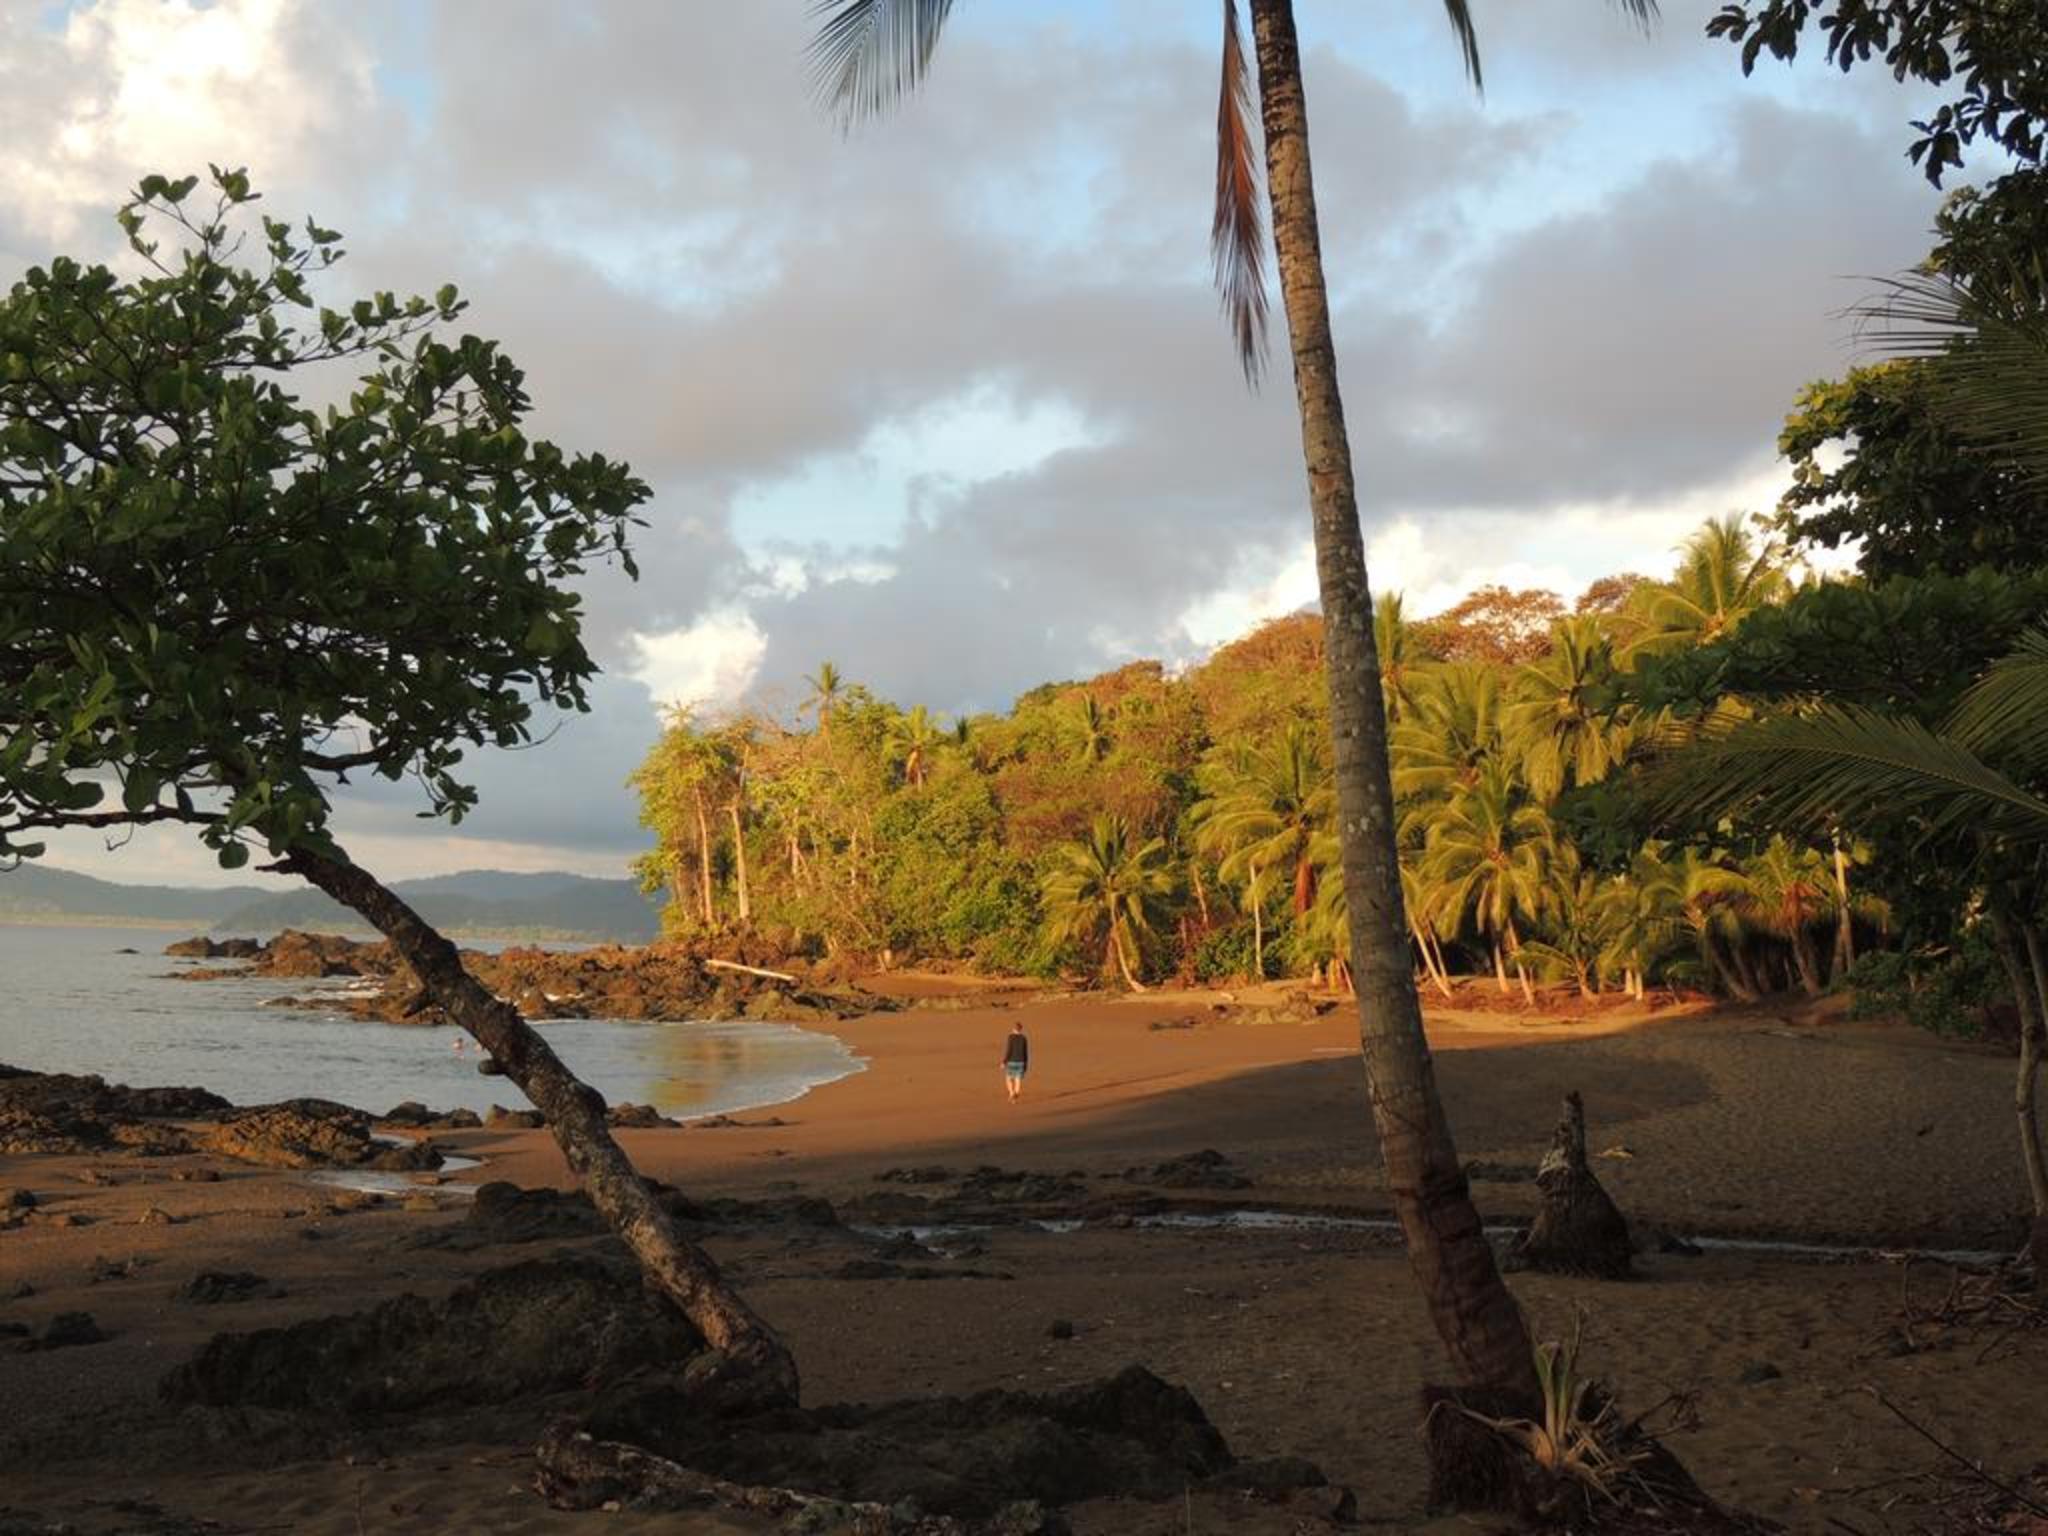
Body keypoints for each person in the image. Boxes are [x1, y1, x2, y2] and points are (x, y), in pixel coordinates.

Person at [1001, 1020, 1029, 1103]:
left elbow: (1009, 1050)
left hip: (1011, 1061)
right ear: (1021, 1029)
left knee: (1008, 1078)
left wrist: (1004, 1062)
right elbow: (1025, 1052)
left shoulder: (1011, 1037)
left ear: (1014, 1029)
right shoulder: (1024, 1038)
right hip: (1021, 1061)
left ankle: (1012, 1092)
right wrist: (1026, 1063)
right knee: (1018, 1079)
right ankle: (1016, 1093)